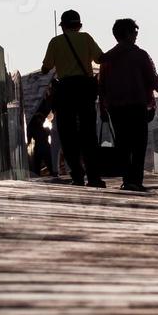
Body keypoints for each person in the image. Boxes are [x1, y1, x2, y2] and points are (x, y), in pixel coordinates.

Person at [98, 19, 158, 193]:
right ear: (128, 34)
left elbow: (102, 86)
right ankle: (136, 180)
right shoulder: (140, 55)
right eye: (135, 32)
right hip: (137, 105)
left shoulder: (107, 58)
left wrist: (102, 107)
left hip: (116, 107)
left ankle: (127, 179)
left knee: (123, 144)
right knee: (139, 144)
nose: (136, 35)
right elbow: (153, 79)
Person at [40, 10, 107, 188]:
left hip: (65, 90)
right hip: (85, 89)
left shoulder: (55, 42)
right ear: (79, 25)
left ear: (63, 27)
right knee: (88, 134)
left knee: (67, 134)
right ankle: (94, 177)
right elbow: (100, 59)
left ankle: (77, 175)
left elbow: (46, 68)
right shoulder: (86, 38)